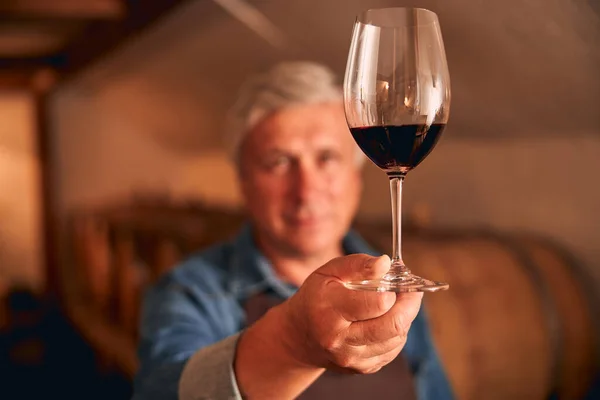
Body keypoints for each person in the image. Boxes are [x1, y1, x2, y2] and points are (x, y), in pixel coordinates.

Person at [132, 61, 454, 400]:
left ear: (356, 177)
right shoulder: (190, 292)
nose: (306, 190)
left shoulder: (395, 285)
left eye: (327, 158)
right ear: (243, 183)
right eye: (279, 163)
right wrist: (292, 343)